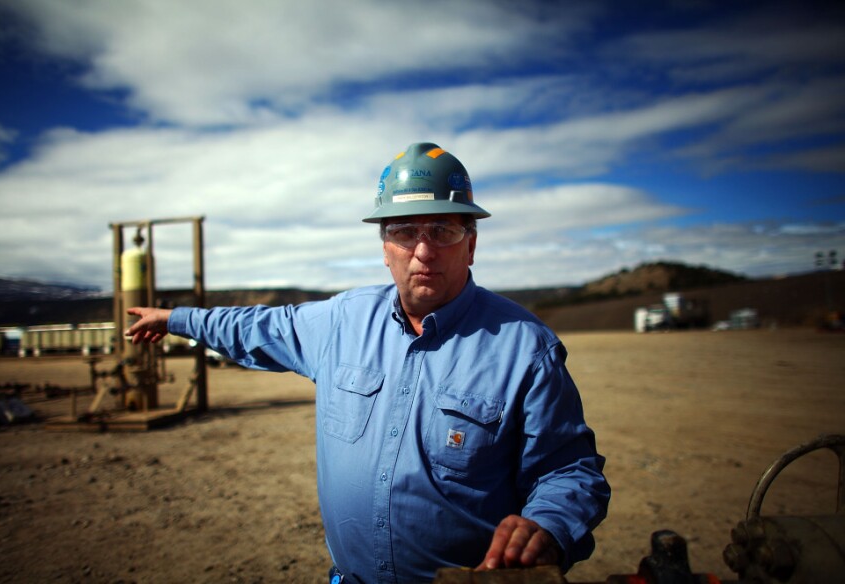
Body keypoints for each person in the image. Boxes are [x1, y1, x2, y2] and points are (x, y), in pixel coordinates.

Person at [126, 142, 610, 583]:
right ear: (385, 247)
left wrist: (548, 525)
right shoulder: (342, 321)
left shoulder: (525, 347)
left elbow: (569, 470)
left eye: (442, 230)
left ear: (472, 243)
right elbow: (256, 327)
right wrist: (176, 319)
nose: (422, 252)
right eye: (404, 232)